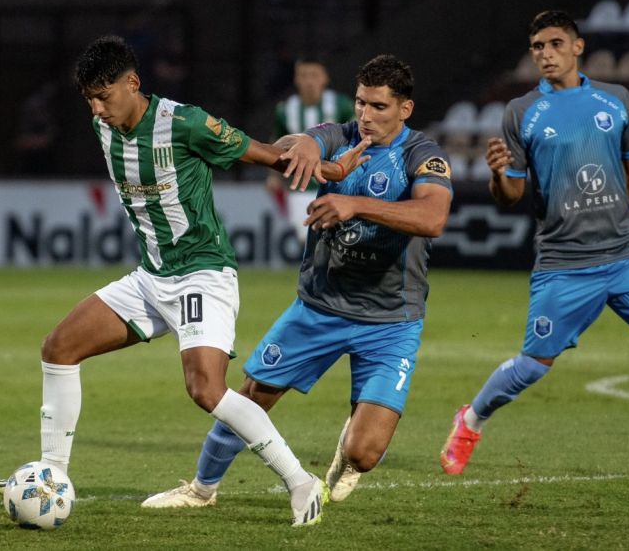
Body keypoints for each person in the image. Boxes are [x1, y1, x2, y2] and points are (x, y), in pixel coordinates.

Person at [0, 35, 369, 527]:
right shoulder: (105, 124)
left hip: (202, 274)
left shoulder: (184, 123)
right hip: (151, 277)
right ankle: (53, 479)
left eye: (105, 96)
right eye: (90, 100)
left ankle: (300, 482)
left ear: (133, 83)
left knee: (207, 390)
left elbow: (263, 154)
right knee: (58, 348)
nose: (98, 109)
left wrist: (333, 167)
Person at [140, 54, 453, 509]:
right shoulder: (340, 134)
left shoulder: (422, 155)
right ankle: (202, 489)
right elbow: (297, 143)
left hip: (391, 321)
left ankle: (349, 453)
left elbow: (433, 217)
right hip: (319, 307)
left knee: (364, 454)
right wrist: (303, 143)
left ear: (405, 109)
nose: (366, 116)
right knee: (252, 396)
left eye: (380, 107)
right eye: (362, 103)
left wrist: (355, 205)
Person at [440, 10, 629, 477]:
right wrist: (498, 172)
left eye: (555, 43)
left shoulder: (616, 99)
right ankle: (471, 420)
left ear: (578, 47)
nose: (546, 54)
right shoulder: (521, 112)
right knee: (534, 365)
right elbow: (511, 195)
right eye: (538, 46)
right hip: (566, 261)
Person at [267, 58, 355, 243]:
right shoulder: (285, 109)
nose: (309, 81)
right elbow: (277, 142)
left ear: (325, 78)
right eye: (303, 75)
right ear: (296, 79)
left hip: (337, 186)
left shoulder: (341, 105)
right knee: (308, 240)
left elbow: (357, 137)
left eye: (314, 75)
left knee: (340, 241)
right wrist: (273, 175)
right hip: (301, 187)